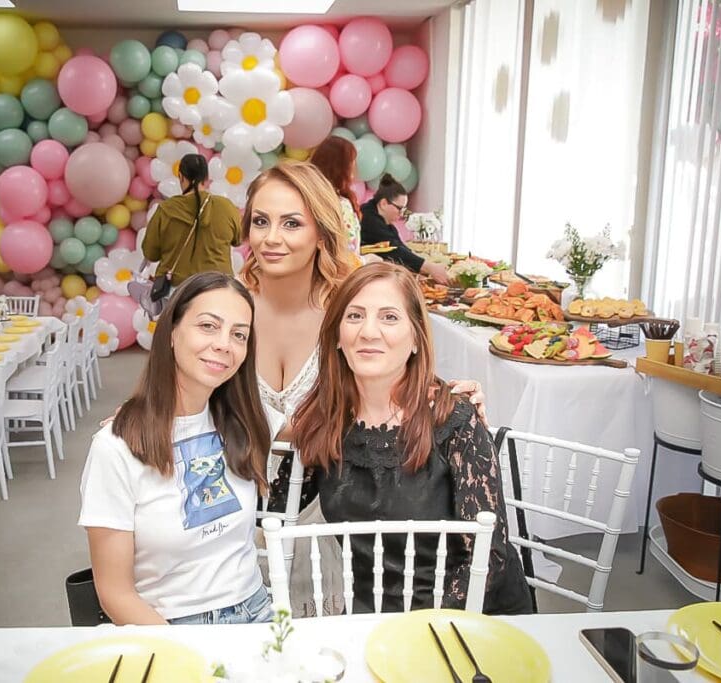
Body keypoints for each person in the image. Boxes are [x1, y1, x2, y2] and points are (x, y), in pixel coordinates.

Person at [240, 162, 488, 616]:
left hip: (330, 511)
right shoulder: (231, 307)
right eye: (260, 221)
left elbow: (393, 364)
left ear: (322, 231)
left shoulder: (350, 305)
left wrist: (448, 398)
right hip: (242, 497)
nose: (271, 238)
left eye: (292, 222)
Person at [292, 262, 532, 615]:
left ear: (418, 337)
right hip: (367, 614)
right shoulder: (325, 422)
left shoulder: (453, 420)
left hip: (463, 616)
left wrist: (416, 628)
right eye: (355, 316)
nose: (368, 332)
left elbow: (489, 556)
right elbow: (280, 507)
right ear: (337, 338)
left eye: (389, 317)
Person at [79, 272, 277, 625]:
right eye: (207, 326)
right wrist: (187, 656)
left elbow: (323, 430)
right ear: (172, 332)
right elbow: (115, 594)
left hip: (258, 612)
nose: (224, 344)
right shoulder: (115, 449)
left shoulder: (244, 418)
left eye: (238, 335)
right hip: (171, 626)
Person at [141, 154, 241, 286]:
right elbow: (238, 239)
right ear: (206, 179)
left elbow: (150, 253)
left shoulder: (165, 210)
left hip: (178, 291)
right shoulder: (226, 207)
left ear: (181, 177)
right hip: (219, 288)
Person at [360, 174, 450, 284]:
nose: (401, 214)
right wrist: (429, 267)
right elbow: (395, 249)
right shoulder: (368, 219)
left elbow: (399, 246)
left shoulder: (381, 219)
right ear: (383, 203)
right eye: (399, 208)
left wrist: (423, 267)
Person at [309, 136, 362, 263]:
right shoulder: (341, 205)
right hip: (338, 275)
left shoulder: (307, 197)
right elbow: (349, 250)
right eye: (352, 162)